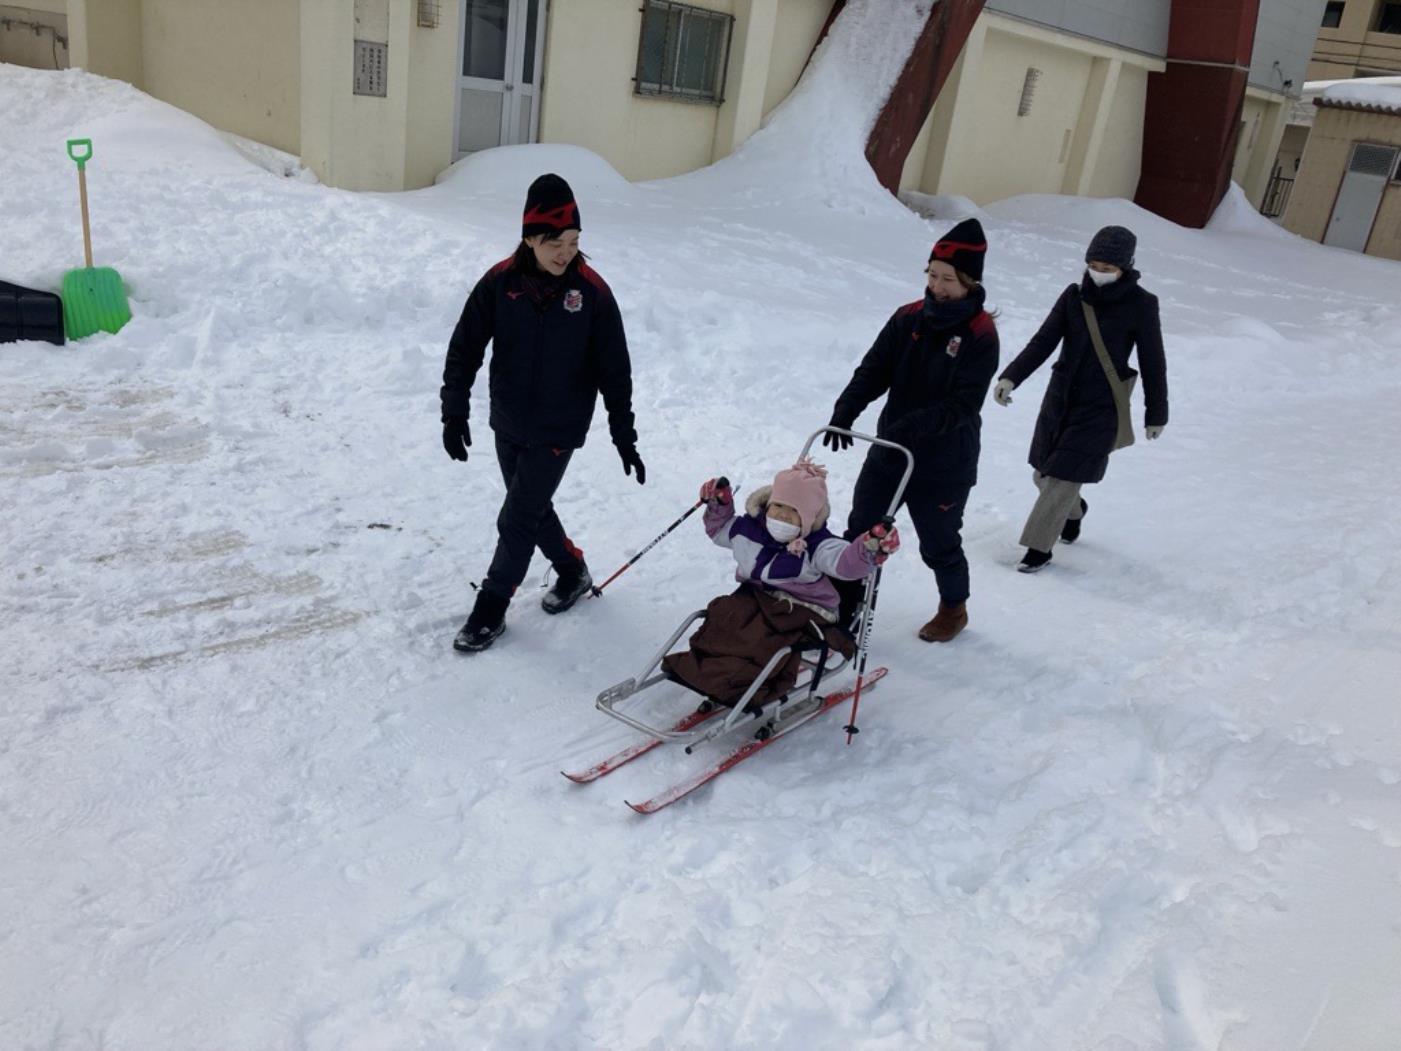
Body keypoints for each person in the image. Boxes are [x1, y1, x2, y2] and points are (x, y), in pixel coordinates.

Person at [440, 173, 644, 653]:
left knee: (516, 518)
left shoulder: (592, 293)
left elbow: (615, 370)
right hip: (508, 421)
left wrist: (624, 434)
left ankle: (491, 607)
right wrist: (454, 411)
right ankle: (572, 571)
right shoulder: (499, 284)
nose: (565, 252)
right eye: (554, 242)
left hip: (559, 426)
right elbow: (464, 349)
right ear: (529, 238)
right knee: (529, 507)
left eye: (573, 241)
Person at [823, 218, 999, 643]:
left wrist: (913, 425)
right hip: (891, 449)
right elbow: (874, 370)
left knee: (938, 543)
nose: (936, 286)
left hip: (944, 461)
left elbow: (962, 406)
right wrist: (846, 409)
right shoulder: (908, 318)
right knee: (862, 531)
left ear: (969, 282)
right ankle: (845, 607)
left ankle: (953, 608)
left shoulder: (980, 334)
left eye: (947, 280)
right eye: (932, 275)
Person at [993, 224, 1168, 573]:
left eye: (1108, 268)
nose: (1099, 273)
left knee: (1062, 477)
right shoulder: (1073, 297)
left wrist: (1156, 413)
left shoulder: (1142, 305)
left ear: (1125, 267)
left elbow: (1153, 360)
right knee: (1044, 475)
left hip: (1101, 407)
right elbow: (1043, 341)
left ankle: (1038, 549)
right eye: (1094, 265)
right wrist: (1011, 376)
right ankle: (1074, 510)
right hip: (1060, 399)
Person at [660, 460, 898, 708]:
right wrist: (719, 505)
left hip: (804, 610)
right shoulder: (750, 530)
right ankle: (707, 666)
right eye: (778, 506)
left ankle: (744, 683)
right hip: (757, 598)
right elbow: (720, 529)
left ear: (808, 518)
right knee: (723, 615)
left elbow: (845, 564)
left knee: (758, 637)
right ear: (768, 503)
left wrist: (868, 550)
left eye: (793, 512)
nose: (782, 515)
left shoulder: (817, 545)